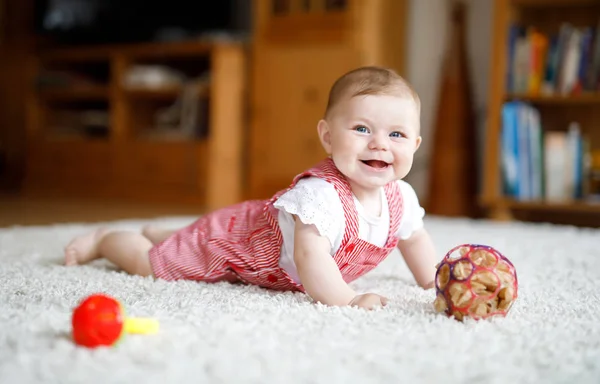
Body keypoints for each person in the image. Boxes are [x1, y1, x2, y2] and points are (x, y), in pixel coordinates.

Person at [64, 66, 438, 310]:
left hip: (248, 225)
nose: (379, 144)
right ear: (327, 136)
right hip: (237, 243)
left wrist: (434, 280)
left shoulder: (400, 197)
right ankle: (108, 239)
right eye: (361, 129)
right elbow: (310, 259)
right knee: (154, 265)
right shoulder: (320, 195)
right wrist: (348, 299)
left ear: (415, 145)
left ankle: (171, 233)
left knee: (192, 238)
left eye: (397, 134)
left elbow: (414, 240)